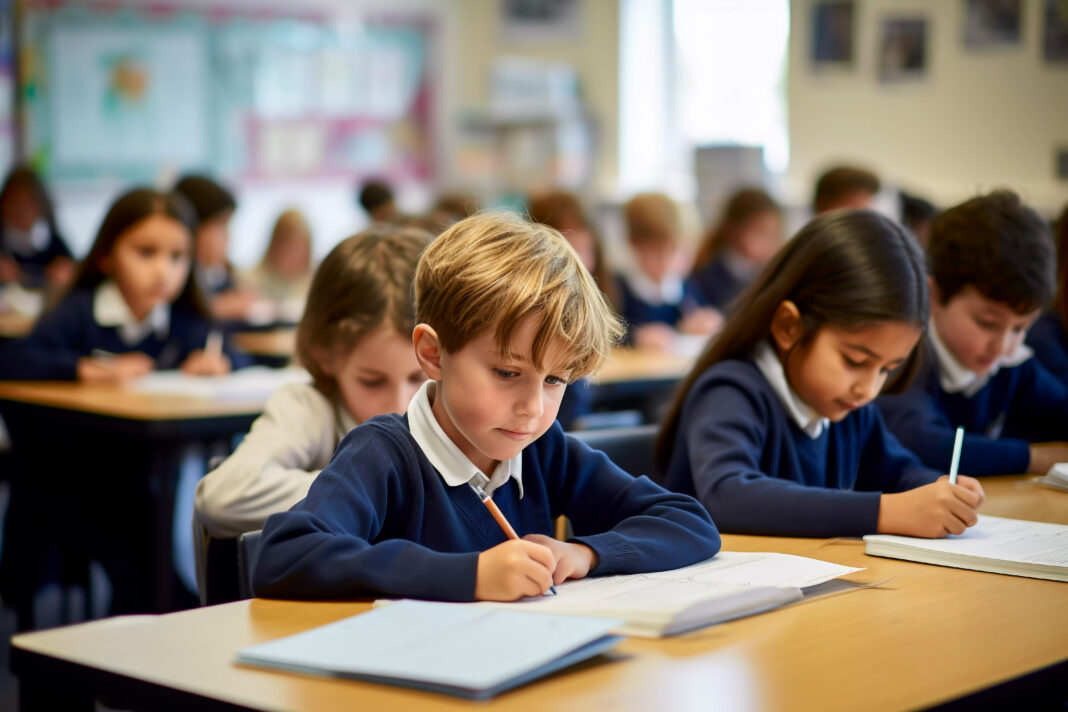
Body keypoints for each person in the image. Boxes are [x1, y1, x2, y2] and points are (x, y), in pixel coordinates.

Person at [251, 212, 721, 601]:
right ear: (433, 355)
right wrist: (470, 575)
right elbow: (286, 555)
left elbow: (687, 521)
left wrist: (583, 555)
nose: (532, 408)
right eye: (506, 373)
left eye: (555, 379)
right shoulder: (383, 455)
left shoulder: (540, 449)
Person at [658, 209, 985, 538]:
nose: (868, 389)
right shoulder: (730, 392)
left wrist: (940, 489)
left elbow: (899, 472)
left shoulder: (848, 408)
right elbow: (727, 496)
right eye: (855, 361)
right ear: (789, 327)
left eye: (887, 368)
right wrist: (885, 512)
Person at [196, 224, 431, 537]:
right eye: (372, 381)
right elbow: (220, 499)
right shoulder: (310, 407)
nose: (402, 405)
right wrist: (363, 488)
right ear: (325, 354)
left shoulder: (451, 414)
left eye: (419, 378)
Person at [878, 191, 1068, 476]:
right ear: (934, 296)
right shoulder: (904, 355)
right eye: (987, 323)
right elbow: (922, 444)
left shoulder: (1012, 364)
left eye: (1020, 327)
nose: (1002, 346)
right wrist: (1036, 457)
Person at [0, 188, 237, 380]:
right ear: (106, 257)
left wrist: (218, 363)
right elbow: (15, 359)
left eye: (177, 257)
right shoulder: (80, 311)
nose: (163, 272)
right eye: (146, 252)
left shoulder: (186, 318)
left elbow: (239, 358)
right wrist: (86, 368)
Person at [690, 188, 783, 312]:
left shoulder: (770, 274)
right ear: (733, 231)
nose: (769, 243)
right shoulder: (706, 278)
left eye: (773, 234)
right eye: (760, 232)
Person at [0, 165, 74, 290]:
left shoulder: (55, 243)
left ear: (41, 205)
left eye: (28, 203)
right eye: (15, 203)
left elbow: (73, 272)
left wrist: (68, 275)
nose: (21, 211)